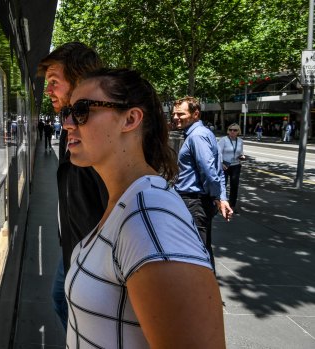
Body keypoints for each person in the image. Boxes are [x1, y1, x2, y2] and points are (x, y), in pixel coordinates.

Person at [63, 68, 225, 348]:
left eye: (81, 110)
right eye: (67, 112)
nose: (67, 123)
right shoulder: (128, 202)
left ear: (130, 119)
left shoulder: (150, 214)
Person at [37, 42, 107, 329]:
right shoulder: (71, 126)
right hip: (75, 244)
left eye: (54, 82)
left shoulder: (98, 133)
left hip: (92, 254)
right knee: (60, 299)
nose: (48, 90)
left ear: (80, 81)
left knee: (74, 311)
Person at [173, 96, 232, 269]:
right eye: (174, 114)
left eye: (180, 114)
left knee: (198, 252)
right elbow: (217, 168)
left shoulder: (197, 136)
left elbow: (209, 171)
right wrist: (221, 196)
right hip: (196, 201)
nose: (176, 117)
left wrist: (217, 196)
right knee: (199, 249)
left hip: (194, 202)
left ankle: (206, 293)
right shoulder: (203, 133)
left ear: (195, 114)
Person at [218, 123, 246, 211]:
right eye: (230, 130)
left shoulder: (240, 141)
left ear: (238, 131)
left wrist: (242, 156)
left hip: (236, 165)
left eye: (235, 130)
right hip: (225, 166)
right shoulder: (223, 140)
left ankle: (232, 206)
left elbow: (240, 152)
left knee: (234, 186)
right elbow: (218, 153)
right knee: (223, 185)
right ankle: (221, 204)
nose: (232, 132)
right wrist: (221, 164)